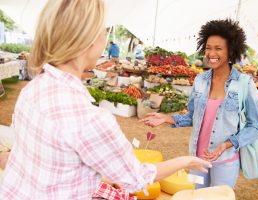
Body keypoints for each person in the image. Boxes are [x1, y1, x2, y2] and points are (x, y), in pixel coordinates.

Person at [0, 1, 211, 199]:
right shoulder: (89, 118)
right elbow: (135, 178)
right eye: (102, 30)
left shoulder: (33, 88)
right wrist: (184, 161)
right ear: (88, 42)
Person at [141, 19, 258, 189]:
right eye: (208, 48)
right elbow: (193, 116)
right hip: (196, 159)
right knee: (197, 196)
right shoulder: (200, 80)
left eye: (218, 48)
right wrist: (166, 118)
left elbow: (255, 126)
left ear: (231, 51)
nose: (211, 53)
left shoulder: (244, 83)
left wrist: (228, 144)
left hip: (225, 160)